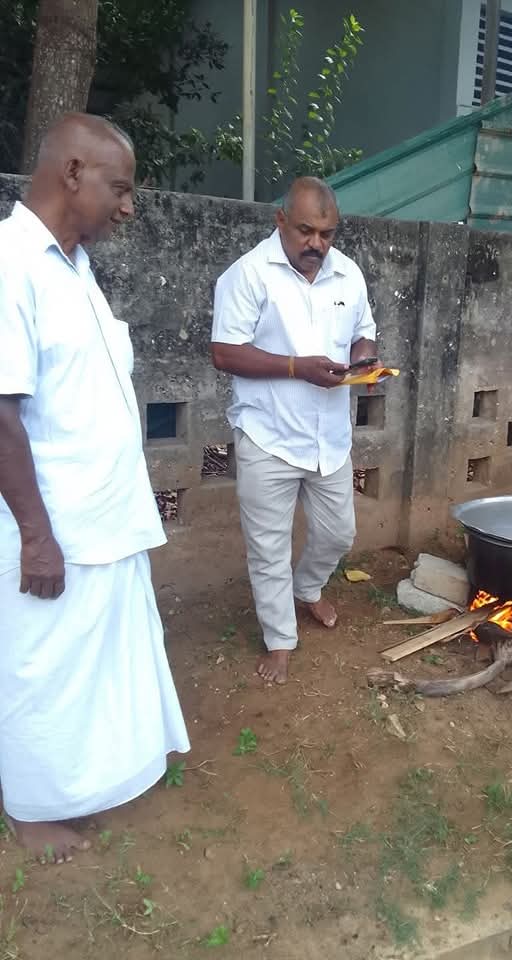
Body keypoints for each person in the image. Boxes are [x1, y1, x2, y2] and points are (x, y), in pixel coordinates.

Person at [0, 113, 190, 863]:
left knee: (97, 662)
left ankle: (96, 775)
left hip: (102, 514)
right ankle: (32, 807)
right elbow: (1, 412)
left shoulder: (72, 266)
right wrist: (37, 537)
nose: (129, 206)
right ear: (72, 173)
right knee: (43, 669)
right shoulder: (11, 262)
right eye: (121, 187)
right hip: (53, 525)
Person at [211, 177, 377, 685]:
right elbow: (225, 353)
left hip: (329, 438)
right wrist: (296, 367)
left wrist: (365, 363)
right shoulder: (247, 275)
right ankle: (280, 639)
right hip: (268, 435)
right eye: (306, 231)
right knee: (268, 547)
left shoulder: (348, 274)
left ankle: (306, 589)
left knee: (339, 533)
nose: (317, 244)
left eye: (327, 234)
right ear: (280, 220)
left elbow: (363, 333)